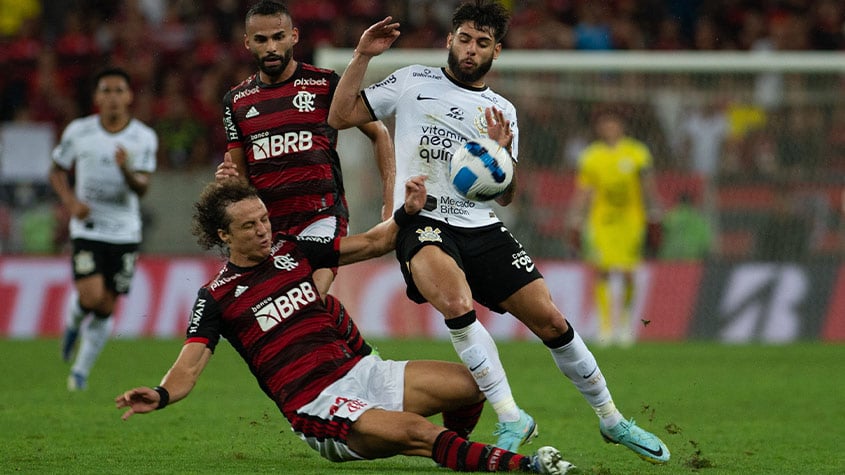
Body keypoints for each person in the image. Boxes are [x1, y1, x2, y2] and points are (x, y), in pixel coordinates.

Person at [328, 1, 669, 464]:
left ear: (497, 51)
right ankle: (510, 416)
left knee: (550, 320)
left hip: (480, 226)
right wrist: (363, 56)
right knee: (456, 303)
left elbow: (505, 197)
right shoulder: (412, 81)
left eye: (482, 43)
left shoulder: (501, 110)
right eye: (465, 39)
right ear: (450, 40)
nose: (471, 50)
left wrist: (499, 155)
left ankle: (611, 419)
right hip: (421, 219)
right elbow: (340, 115)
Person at [115, 178, 573, 474]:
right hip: (322, 405)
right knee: (420, 432)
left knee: (476, 384)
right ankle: (527, 467)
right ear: (223, 236)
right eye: (249, 226)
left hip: (366, 372)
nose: (262, 230)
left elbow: (374, 243)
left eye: (264, 220)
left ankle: (460, 454)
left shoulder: (294, 252)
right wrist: (158, 394)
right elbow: (189, 368)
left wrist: (408, 212)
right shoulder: (216, 297)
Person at [215, 0, 395, 358]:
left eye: (279, 37)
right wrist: (226, 182)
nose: (271, 47)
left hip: (322, 216)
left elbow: (380, 134)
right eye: (261, 39)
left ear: (294, 36)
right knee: (289, 320)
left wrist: (390, 200)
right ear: (247, 43)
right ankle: (363, 361)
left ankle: (357, 372)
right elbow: (239, 181)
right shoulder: (236, 101)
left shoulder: (325, 85)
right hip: (271, 229)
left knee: (306, 300)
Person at [50, 66, 158, 391]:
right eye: (106, 91)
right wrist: (71, 204)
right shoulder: (78, 131)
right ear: (97, 97)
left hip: (124, 231)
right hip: (87, 228)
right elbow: (56, 171)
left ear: (129, 96)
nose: (112, 97)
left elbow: (142, 188)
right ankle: (72, 324)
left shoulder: (143, 137)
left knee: (107, 305)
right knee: (91, 295)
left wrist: (126, 169)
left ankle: (80, 372)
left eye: (118, 91)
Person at [567, 108, 664, 346]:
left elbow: (647, 184)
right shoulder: (591, 156)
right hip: (602, 221)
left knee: (628, 271)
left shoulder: (637, 152)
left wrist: (655, 211)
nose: (609, 128)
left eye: (613, 123)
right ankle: (605, 326)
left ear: (621, 126)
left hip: (631, 219)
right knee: (603, 270)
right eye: (604, 124)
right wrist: (575, 217)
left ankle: (626, 323)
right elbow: (585, 190)